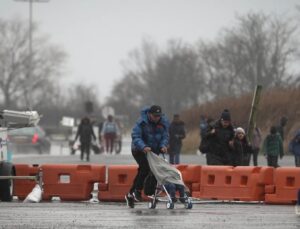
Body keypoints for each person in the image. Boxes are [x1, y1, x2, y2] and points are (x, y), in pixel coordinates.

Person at [125, 105, 169, 208]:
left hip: (153, 150)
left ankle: (138, 194)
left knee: (154, 170)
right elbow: (136, 136)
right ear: (149, 114)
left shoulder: (163, 123)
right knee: (145, 167)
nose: (157, 118)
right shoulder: (141, 122)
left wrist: (163, 145)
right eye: (155, 116)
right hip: (139, 149)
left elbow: (165, 136)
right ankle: (137, 190)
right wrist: (143, 146)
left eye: (159, 116)